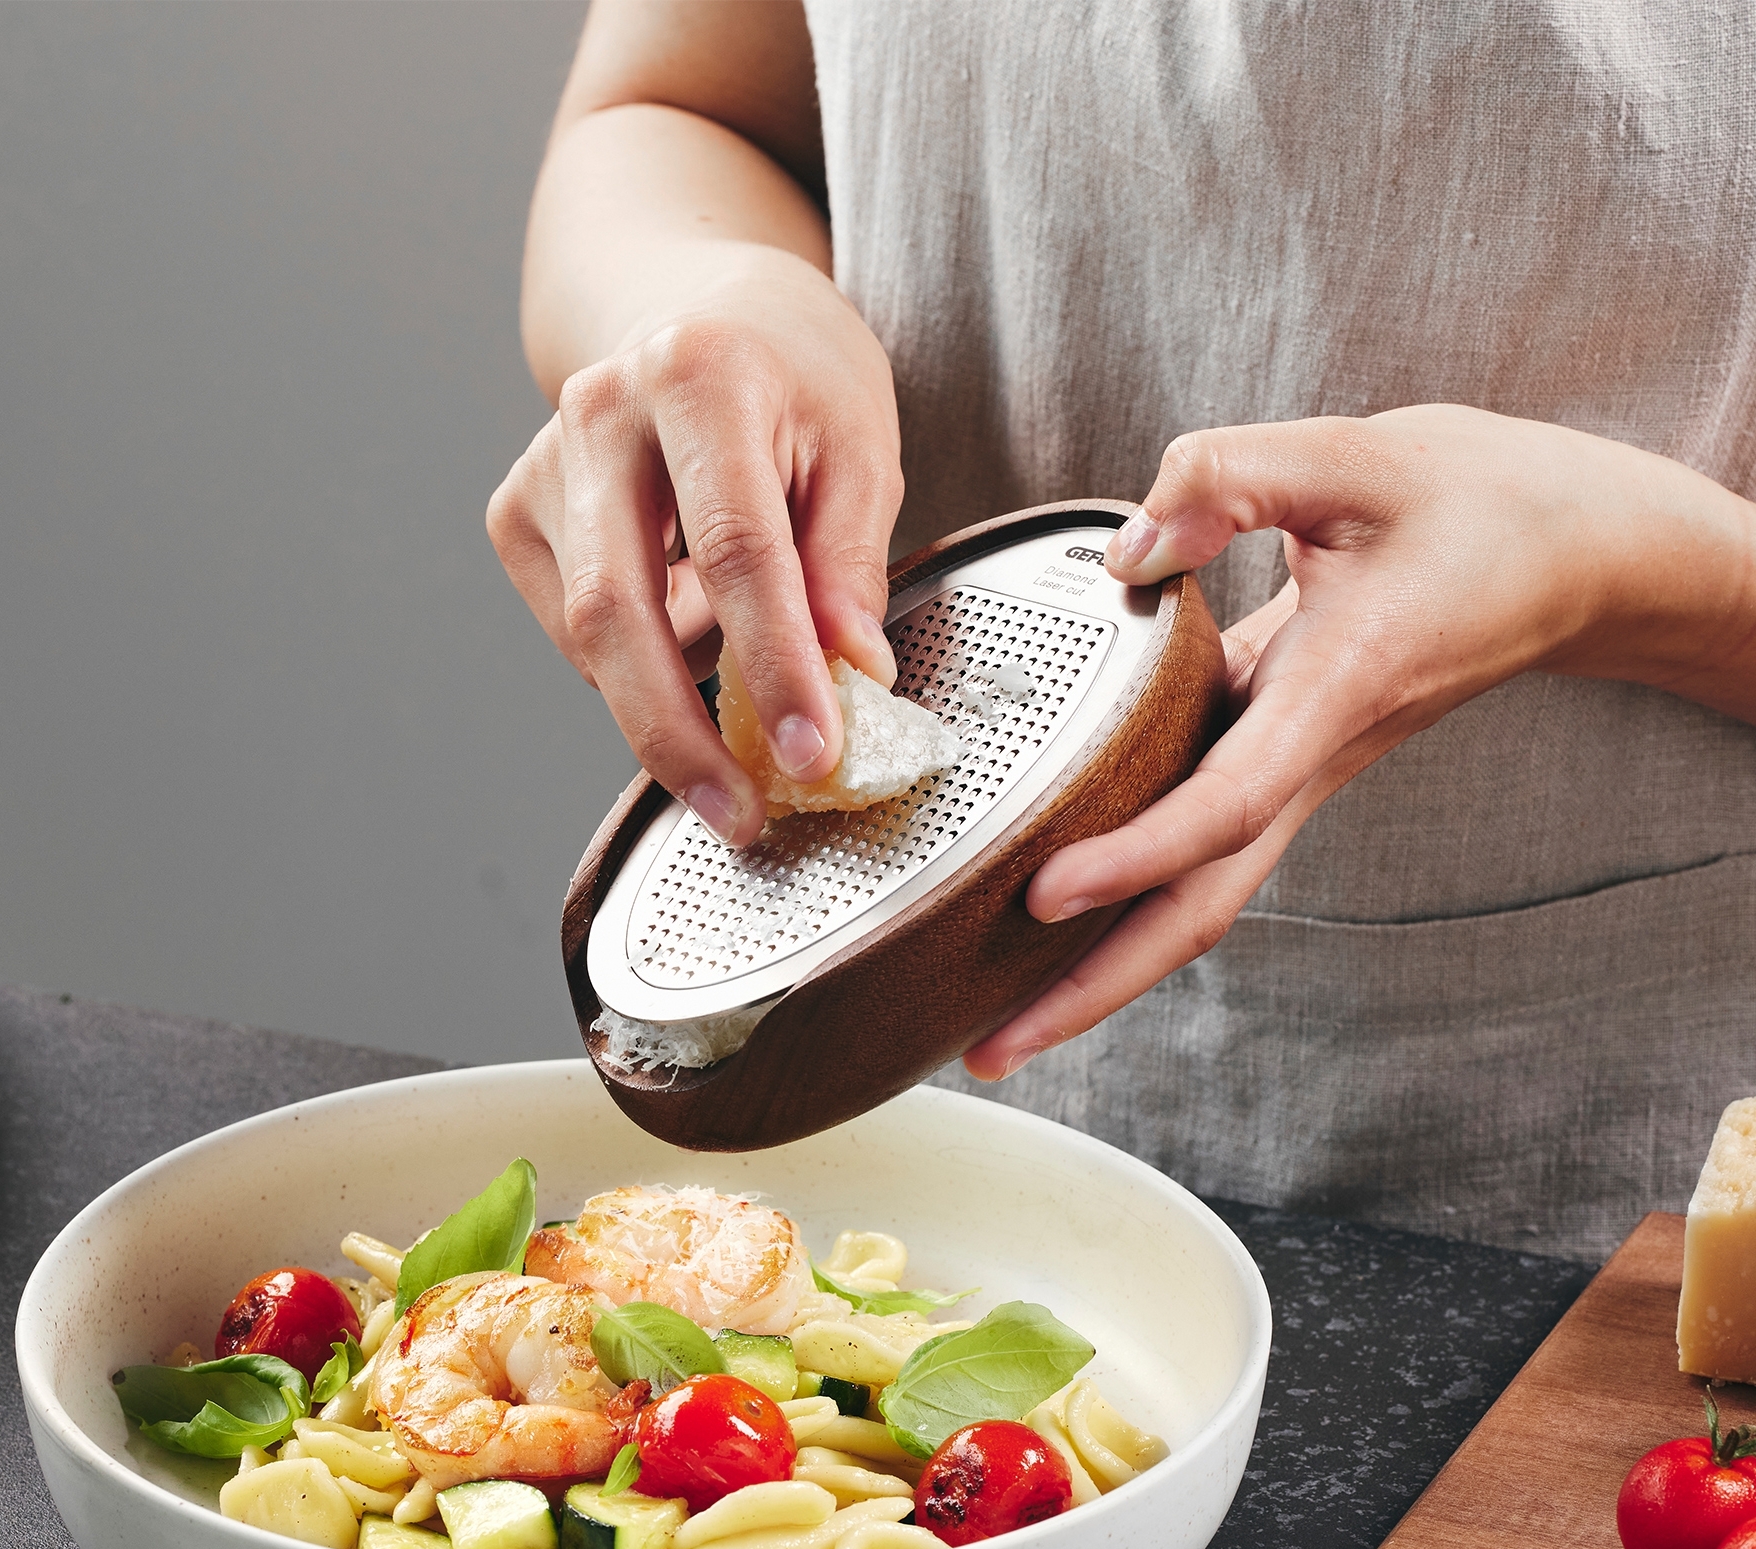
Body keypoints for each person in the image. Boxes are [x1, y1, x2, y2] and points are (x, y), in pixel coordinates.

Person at [487, 0, 1756, 1264]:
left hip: (1617, 1196)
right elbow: (670, 108)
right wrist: (730, 297)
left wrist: (1611, 558)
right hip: (903, 1118)